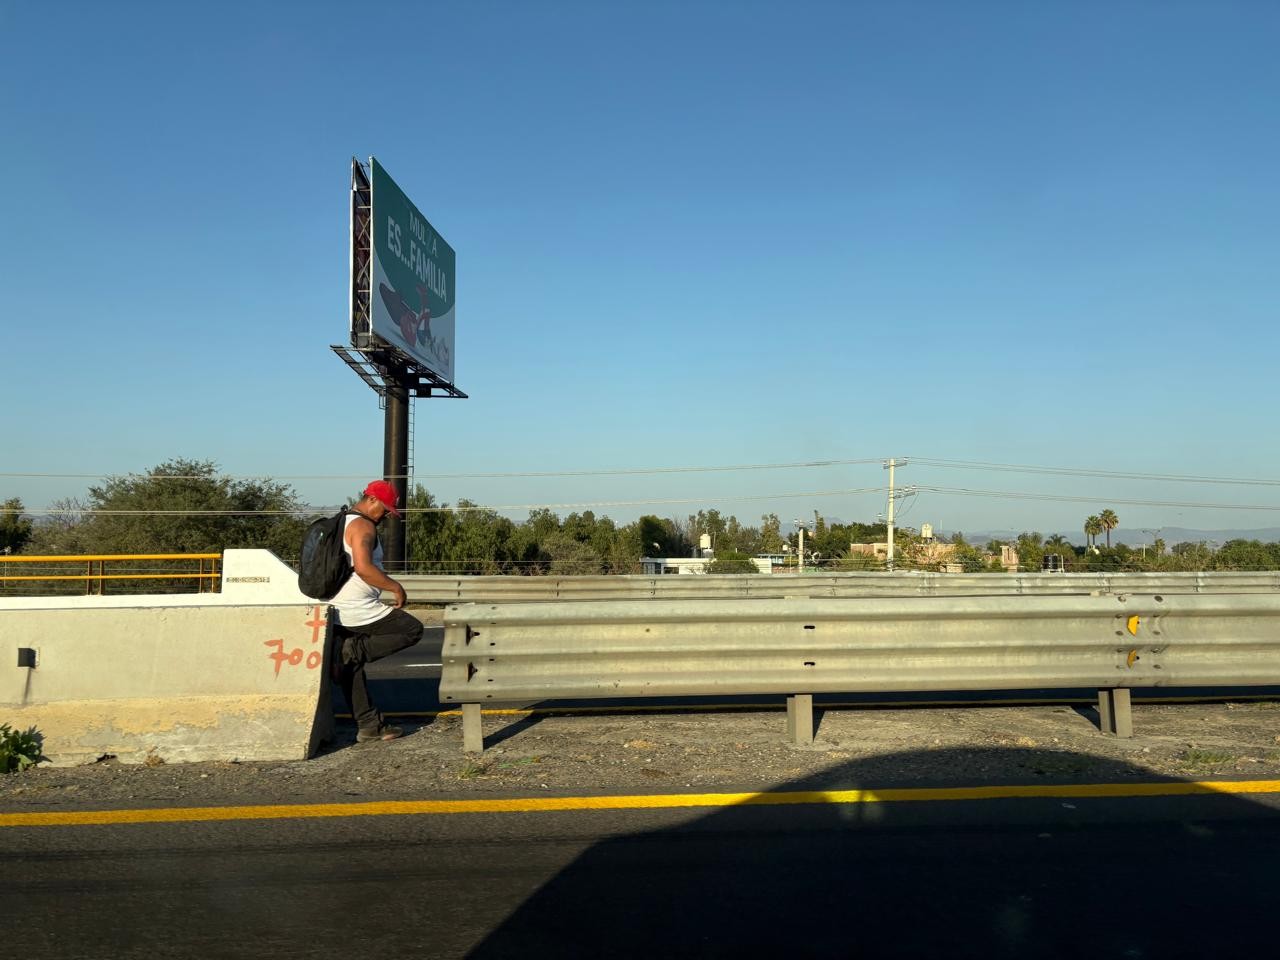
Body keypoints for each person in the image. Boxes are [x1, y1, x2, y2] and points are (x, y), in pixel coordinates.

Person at [329, 479, 423, 742]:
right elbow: (363, 568)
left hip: (335, 606)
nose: (384, 516)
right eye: (384, 510)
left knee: (351, 670)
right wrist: (396, 588)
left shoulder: (342, 521)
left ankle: (369, 725)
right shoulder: (362, 526)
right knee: (411, 629)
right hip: (356, 608)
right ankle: (351, 651)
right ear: (371, 500)